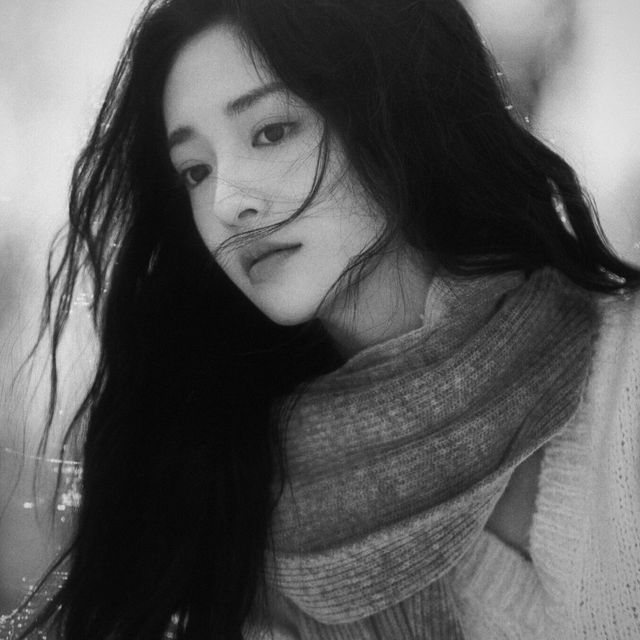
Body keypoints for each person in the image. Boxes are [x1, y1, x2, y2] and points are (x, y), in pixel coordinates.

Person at [7, 0, 640, 638]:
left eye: (271, 132)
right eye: (195, 171)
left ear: (390, 107)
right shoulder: (255, 535)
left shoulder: (626, 367)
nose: (226, 202)